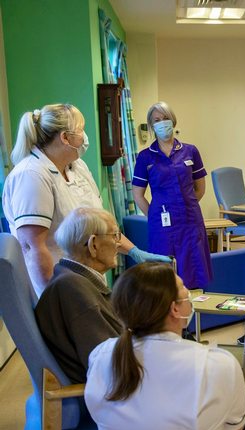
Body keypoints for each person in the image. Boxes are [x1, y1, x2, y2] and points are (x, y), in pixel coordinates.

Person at [84, 262, 245, 430]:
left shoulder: (101, 354)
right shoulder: (217, 364)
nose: (190, 293)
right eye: (184, 289)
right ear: (175, 309)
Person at [2, 103, 169, 297]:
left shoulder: (77, 166)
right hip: (56, 287)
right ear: (65, 137)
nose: (84, 137)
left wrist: (134, 251)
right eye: (81, 130)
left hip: (86, 283)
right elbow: (32, 247)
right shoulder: (31, 175)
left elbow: (101, 226)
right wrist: (54, 300)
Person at [35, 207, 123, 384]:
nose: (118, 243)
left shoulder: (71, 278)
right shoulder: (73, 289)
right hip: (108, 392)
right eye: (115, 235)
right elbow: (109, 368)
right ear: (93, 244)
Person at [132, 101, 212, 290]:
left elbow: (200, 188)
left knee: (195, 270)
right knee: (163, 275)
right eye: (157, 120)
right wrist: (154, 215)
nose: (162, 123)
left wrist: (186, 206)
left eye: (165, 118)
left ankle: (194, 307)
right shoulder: (145, 157)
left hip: (190, 221)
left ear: (173, 120)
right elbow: (138, 195)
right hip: (162, 225)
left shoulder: (190, 151)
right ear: (151, 126)